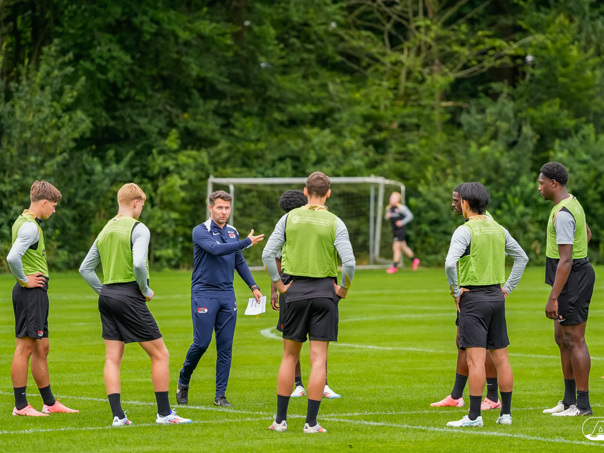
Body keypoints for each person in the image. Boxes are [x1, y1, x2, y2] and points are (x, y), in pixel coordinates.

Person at [79, 183, 191, 425]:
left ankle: (118, 417)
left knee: (113, 358)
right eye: (142, 206)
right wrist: (145, 289)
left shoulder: (106, 228)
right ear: (136, 203)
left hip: (107, 296)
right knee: (160, 354)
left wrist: (104, 291)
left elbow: (85, 269)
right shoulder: (138, 228)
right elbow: (139, 264)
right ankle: (164, 414)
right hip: (129, 295)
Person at [263, 171, 355, 433]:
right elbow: (349, 263)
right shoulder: (335, 221)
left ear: (305, 191)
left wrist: (279, 284)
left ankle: (280, 421)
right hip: (325, 293)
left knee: (289, 357)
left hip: (295, 292)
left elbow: (268, 254)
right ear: (329, 193)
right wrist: (343, 289)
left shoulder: (288, 218)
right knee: (318, 359)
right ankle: (311, 423)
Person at [444, 182, 528, 427]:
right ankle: (506, 415)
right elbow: (522, 257)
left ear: (465, 203)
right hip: (496, 298)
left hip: (474, 299)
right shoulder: (498, 228)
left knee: (475, 361)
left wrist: (455, 292)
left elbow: (449, 264)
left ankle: (474, 417)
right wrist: (507, 288)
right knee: (502, 359)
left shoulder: (465, 230)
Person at [176, 190, 264, 408]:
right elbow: (215, 250)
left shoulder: (233, 232)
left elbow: (239, 262)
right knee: (202, 343)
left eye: (227, 208)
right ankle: (184, 379)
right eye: (219, 207)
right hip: (204, 294)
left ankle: (220, 396)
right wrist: (246, 242)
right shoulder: (200, 231)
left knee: (225, 346)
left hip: (227, 295)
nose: (224, 212)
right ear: (210, 208)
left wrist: (253, 286)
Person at [6, 180, 78, 416]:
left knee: (41, 347)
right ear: (44, 202)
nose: (54, 210)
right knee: (25, 348)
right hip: (30, 292)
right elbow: (12, 257)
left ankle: (50, 403)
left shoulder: (23, 221)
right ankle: (21, 406)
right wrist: (24, 280)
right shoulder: (30, 227)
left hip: (36, 293)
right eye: (53, 206)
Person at [431, 184, 501, 411]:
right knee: (462, 341)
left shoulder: (484, 225)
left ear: (467, 201)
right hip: (476, 293)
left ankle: (492, 397)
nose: (453, 204)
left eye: (456, 200)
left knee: (481, 346)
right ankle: (456, 395)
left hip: (478, 294)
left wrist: (456, 291)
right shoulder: (477, 222)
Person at [270, 190, 341, 400]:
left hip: (307, 283)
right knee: (295, 341)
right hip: (293, 283)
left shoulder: (320, 220)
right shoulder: (287, 224)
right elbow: (275, 257)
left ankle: (317, 384)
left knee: (308, 342)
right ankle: (301, 384)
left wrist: (274, 289)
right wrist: (275, 289)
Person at [538, 162, 595, 417]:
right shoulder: (572, 203)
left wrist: (553, 297)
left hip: (573, 279)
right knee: (561, 339)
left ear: (554, 183)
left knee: (575, 339)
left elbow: (567, 259)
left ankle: (583, 405)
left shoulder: (562, 213)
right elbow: (587, 233)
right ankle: (569, 400)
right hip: (569, 278)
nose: (539, 187)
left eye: (541, 183)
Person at [385, 192, 420, 273]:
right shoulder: (388, 208)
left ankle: (394, 267)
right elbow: (386, 217)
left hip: (400, 230)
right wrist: (387, 216)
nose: (391, 199)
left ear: (398, 199)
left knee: (396, 247)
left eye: (393, 197)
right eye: (391, 197)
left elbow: (410, 216)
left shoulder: (402, 208)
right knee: (403, 247)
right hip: (394, 230)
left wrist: (402, 222)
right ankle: (414, 260)